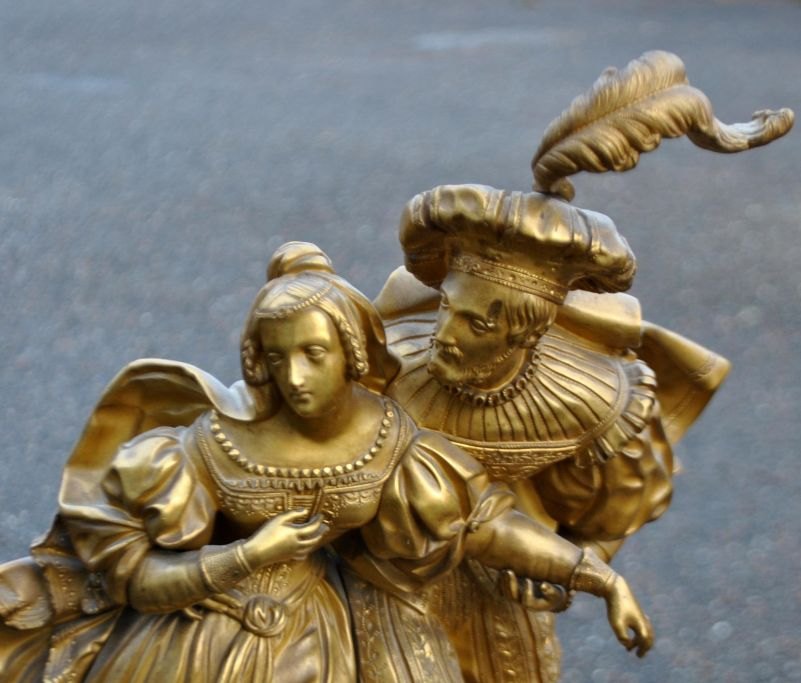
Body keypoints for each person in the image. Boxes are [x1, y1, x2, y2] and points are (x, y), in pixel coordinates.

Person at [0, 241, 652, 682]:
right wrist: (246, 555)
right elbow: (136, 581)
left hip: (319, 642)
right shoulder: (207, 442)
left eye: (313, 354)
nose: (294, 377)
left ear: (352, 353)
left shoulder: (394, 443)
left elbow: (484, 527)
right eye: (276, 356)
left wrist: (600, 580)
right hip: (194, 639)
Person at [365, 184, 730, 682]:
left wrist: (581, 562)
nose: (444, 336)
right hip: (379, 567)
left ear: (525, 335)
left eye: (476, 325)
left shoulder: (591, 402)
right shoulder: (387, 361)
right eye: (447, 306)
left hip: (501, 579)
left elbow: (619, 507)